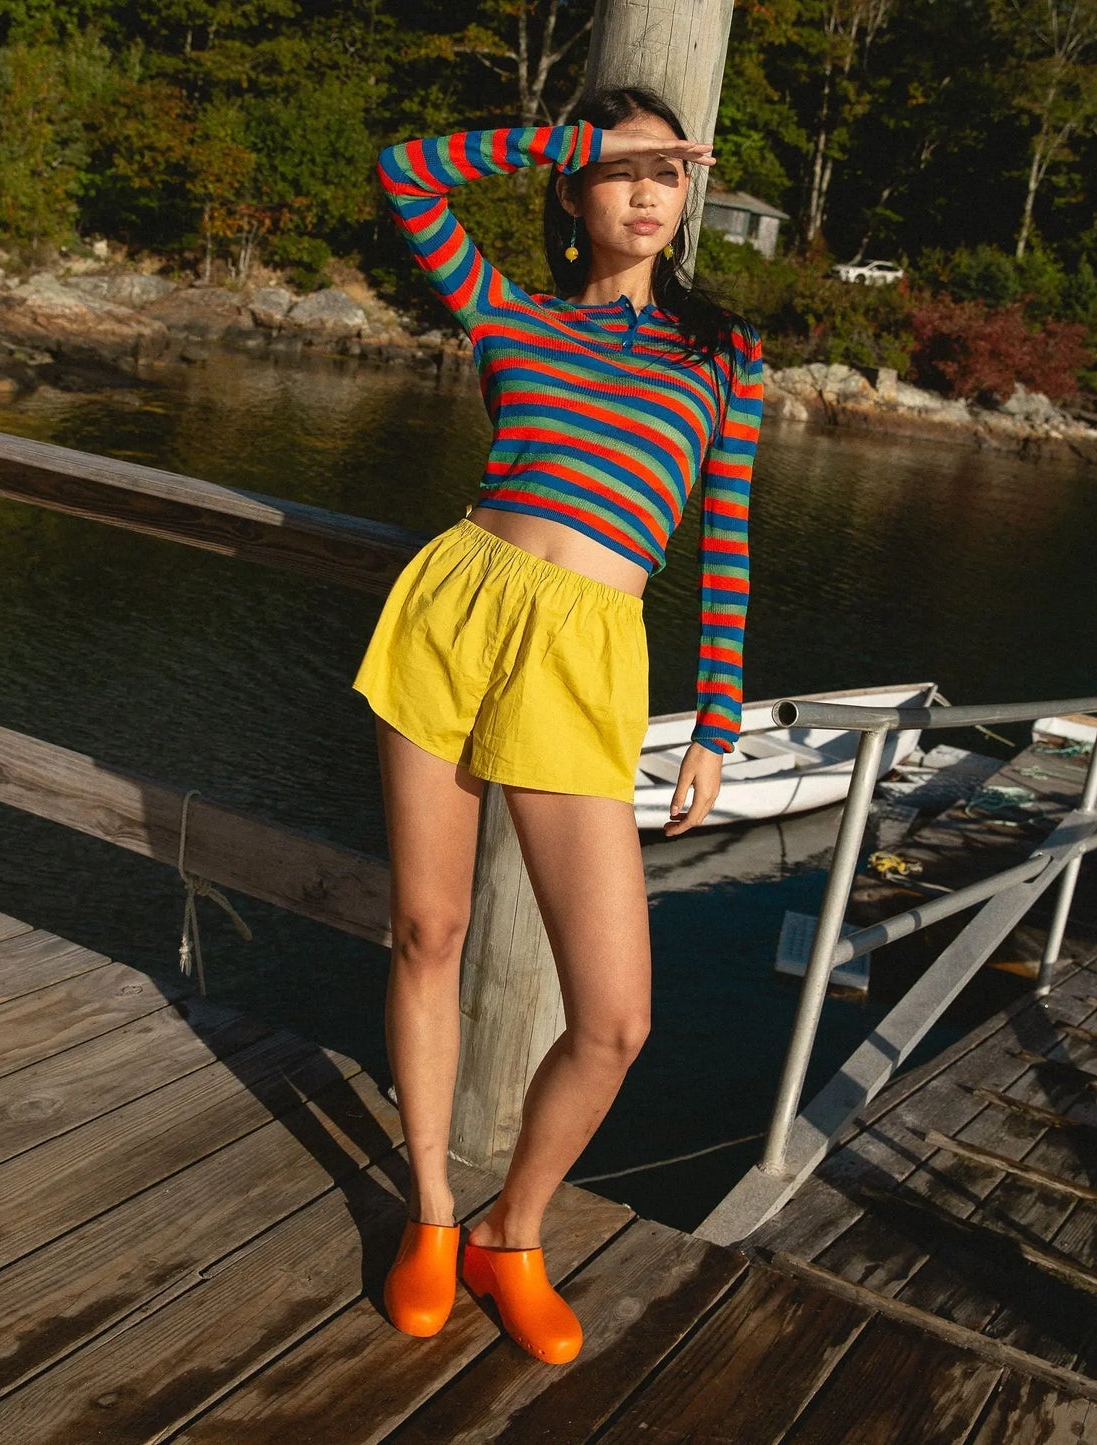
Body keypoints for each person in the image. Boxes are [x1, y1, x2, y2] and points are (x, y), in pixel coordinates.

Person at [351, 83, 765, 1365]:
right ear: (572, 189)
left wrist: (714, 719)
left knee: (614, 1017)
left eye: (667, 170)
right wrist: (567, 135)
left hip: (586, 655)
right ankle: (432, 1209)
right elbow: (405, 170)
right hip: (455, 609)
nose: (646, 189)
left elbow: (726, 544)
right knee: (428, 929)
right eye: (620, 168)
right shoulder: (507, 312)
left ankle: (512, 1229)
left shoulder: (725, 355)